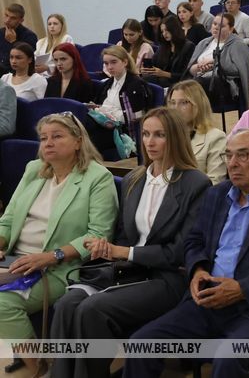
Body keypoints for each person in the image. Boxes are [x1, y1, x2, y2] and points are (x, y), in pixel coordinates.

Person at [123, 129, 249, 378]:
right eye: (228, 155)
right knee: (142, 344)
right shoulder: (217, 194)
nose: (232, 163)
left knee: (228, 357)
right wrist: (198, 269)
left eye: (243, 155)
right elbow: (194, 241)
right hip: (208, 300)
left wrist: (242, 289)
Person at [50, 108, 210, 378]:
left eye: (159, 135)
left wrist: (124, 251)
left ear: (175, 138)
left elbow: (178, 253)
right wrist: (106, 248)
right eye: (145, 134)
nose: (150, 142)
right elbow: (124, 235)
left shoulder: (197, 184)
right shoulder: (134, 180)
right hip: (127, 270)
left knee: (92, 309)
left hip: (167, 278)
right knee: (67, 304)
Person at [0, 113, 117, 376]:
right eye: (43, 138)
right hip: (15, 260)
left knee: (1, 304)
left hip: (58, 268)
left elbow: (98, 234)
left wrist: (51, 256)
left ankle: (38, 369)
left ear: (78, 141)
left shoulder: (98, 177)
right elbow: (8, 220)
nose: (48, 143)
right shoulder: (34, 170)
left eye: (57, 136)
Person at [88, 45, 151, 154]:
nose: (109, 67)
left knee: (88, 135)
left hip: (123, 132)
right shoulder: (107, 84)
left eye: (113, 62)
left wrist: (105, 112)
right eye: (106, 63)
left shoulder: (136, 85)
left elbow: (137, 117)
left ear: (125, 62)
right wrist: (97, 109)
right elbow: (102, 106)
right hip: (105, 126)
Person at [187, 13, 249, 109]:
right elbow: (190, 69)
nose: (216, 28)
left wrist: (215, 62)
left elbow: (239, 71)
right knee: (181, 87)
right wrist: (199, 67)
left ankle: (195, 115)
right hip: (200, 79)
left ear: (231, 29)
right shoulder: (204, 42)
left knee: (195, 85)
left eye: (221, 26)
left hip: (225, 85)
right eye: (214, 24)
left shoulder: (238, 44)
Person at [167, 80, 228, 184]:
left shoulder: (215, 137)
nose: (176, 108)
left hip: (197, 193)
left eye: (184, 102)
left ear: (198, 105)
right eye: (173, 103)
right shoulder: (165, 135)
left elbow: (215, 182)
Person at [141, 16, 195, 88]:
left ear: (174, 30)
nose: (164, 34)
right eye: (162, 31)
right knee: (143, 80)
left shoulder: (188, 46)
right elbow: (154, 62)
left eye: (166, 30)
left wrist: (164, 73)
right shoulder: (164, 45)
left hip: (178, 82)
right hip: (162, 80)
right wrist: (147, 70)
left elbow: (186, 74)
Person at [1, 3, 38, 76]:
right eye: (6, 15)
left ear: (21, 20)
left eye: (13, 18)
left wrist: (13, 42)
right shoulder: (0, 32)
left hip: (17, 74)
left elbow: (28, 59)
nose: (7, 20)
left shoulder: (30, 36)